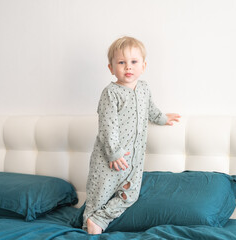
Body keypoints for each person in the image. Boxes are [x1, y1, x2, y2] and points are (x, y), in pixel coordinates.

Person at [83, 36, 180, 234]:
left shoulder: (144, 88)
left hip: (134, 160)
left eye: (133, 62)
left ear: (143, 66)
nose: (128, 67)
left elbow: (150, 110)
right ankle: (89, 226)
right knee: (99, 194)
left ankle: (100, 219)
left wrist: (162, 118)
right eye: (121, 62)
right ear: (111, 68)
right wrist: (114, 153)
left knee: (131, 194)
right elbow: (107, 127)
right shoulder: (111, 93)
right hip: (109, 160)